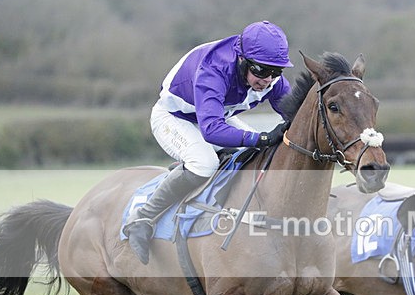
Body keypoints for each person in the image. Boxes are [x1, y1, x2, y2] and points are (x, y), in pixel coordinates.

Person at [124, 20, 294, 264]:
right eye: (260, 71)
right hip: (174, 119)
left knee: (257, 154)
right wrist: (261, 137)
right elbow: (212, 130)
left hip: (215, 118)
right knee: (204, 163)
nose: (267, 79)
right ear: (242, 60)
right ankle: (143, 219)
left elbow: (294, 116)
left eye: (276, 72)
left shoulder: (268, 75)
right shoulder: (214, 70)